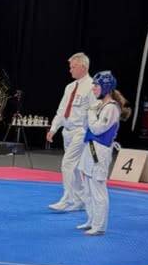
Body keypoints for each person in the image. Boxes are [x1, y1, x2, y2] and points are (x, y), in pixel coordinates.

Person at [77, 71, 131, 236]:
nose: (93, 88)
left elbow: (97, 128)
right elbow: (87, 126)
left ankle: (99, 226)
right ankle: (91, 219)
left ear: (106, 87)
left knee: (97, 188)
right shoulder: (99, 105)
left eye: (96, 85)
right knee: (87, 188)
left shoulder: (111, 108)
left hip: (99, 151)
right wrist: (90, 113)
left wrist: (90, 113)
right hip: (89, 147)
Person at [46, 52, 95, 211]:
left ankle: (68, 198)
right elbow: (61, 110)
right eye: (70, 67)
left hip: (81, 131)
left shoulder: (92, 86)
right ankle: (81, 200)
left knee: (67, 164)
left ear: (83, 67)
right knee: (74, 167)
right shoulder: (70, 87)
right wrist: (53, 128)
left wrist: (90, 132)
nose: (70, 70)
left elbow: (94, 111)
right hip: (67, 131)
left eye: (73, 67)